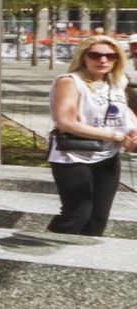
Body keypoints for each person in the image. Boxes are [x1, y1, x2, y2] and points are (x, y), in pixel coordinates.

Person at [46, 35, 137, 235]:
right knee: (77, 213)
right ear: (83, 57)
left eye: (110, 56)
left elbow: (122, 109)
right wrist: (115, 136)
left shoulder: (117, 81)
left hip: (108, 156)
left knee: (97, 220)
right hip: (73, 156)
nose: (103, 60)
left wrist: (134, 131)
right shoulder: (70, 82)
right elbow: (66, 122)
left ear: (118, 59)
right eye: (95, 55)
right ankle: (41, 251)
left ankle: (78, 254)